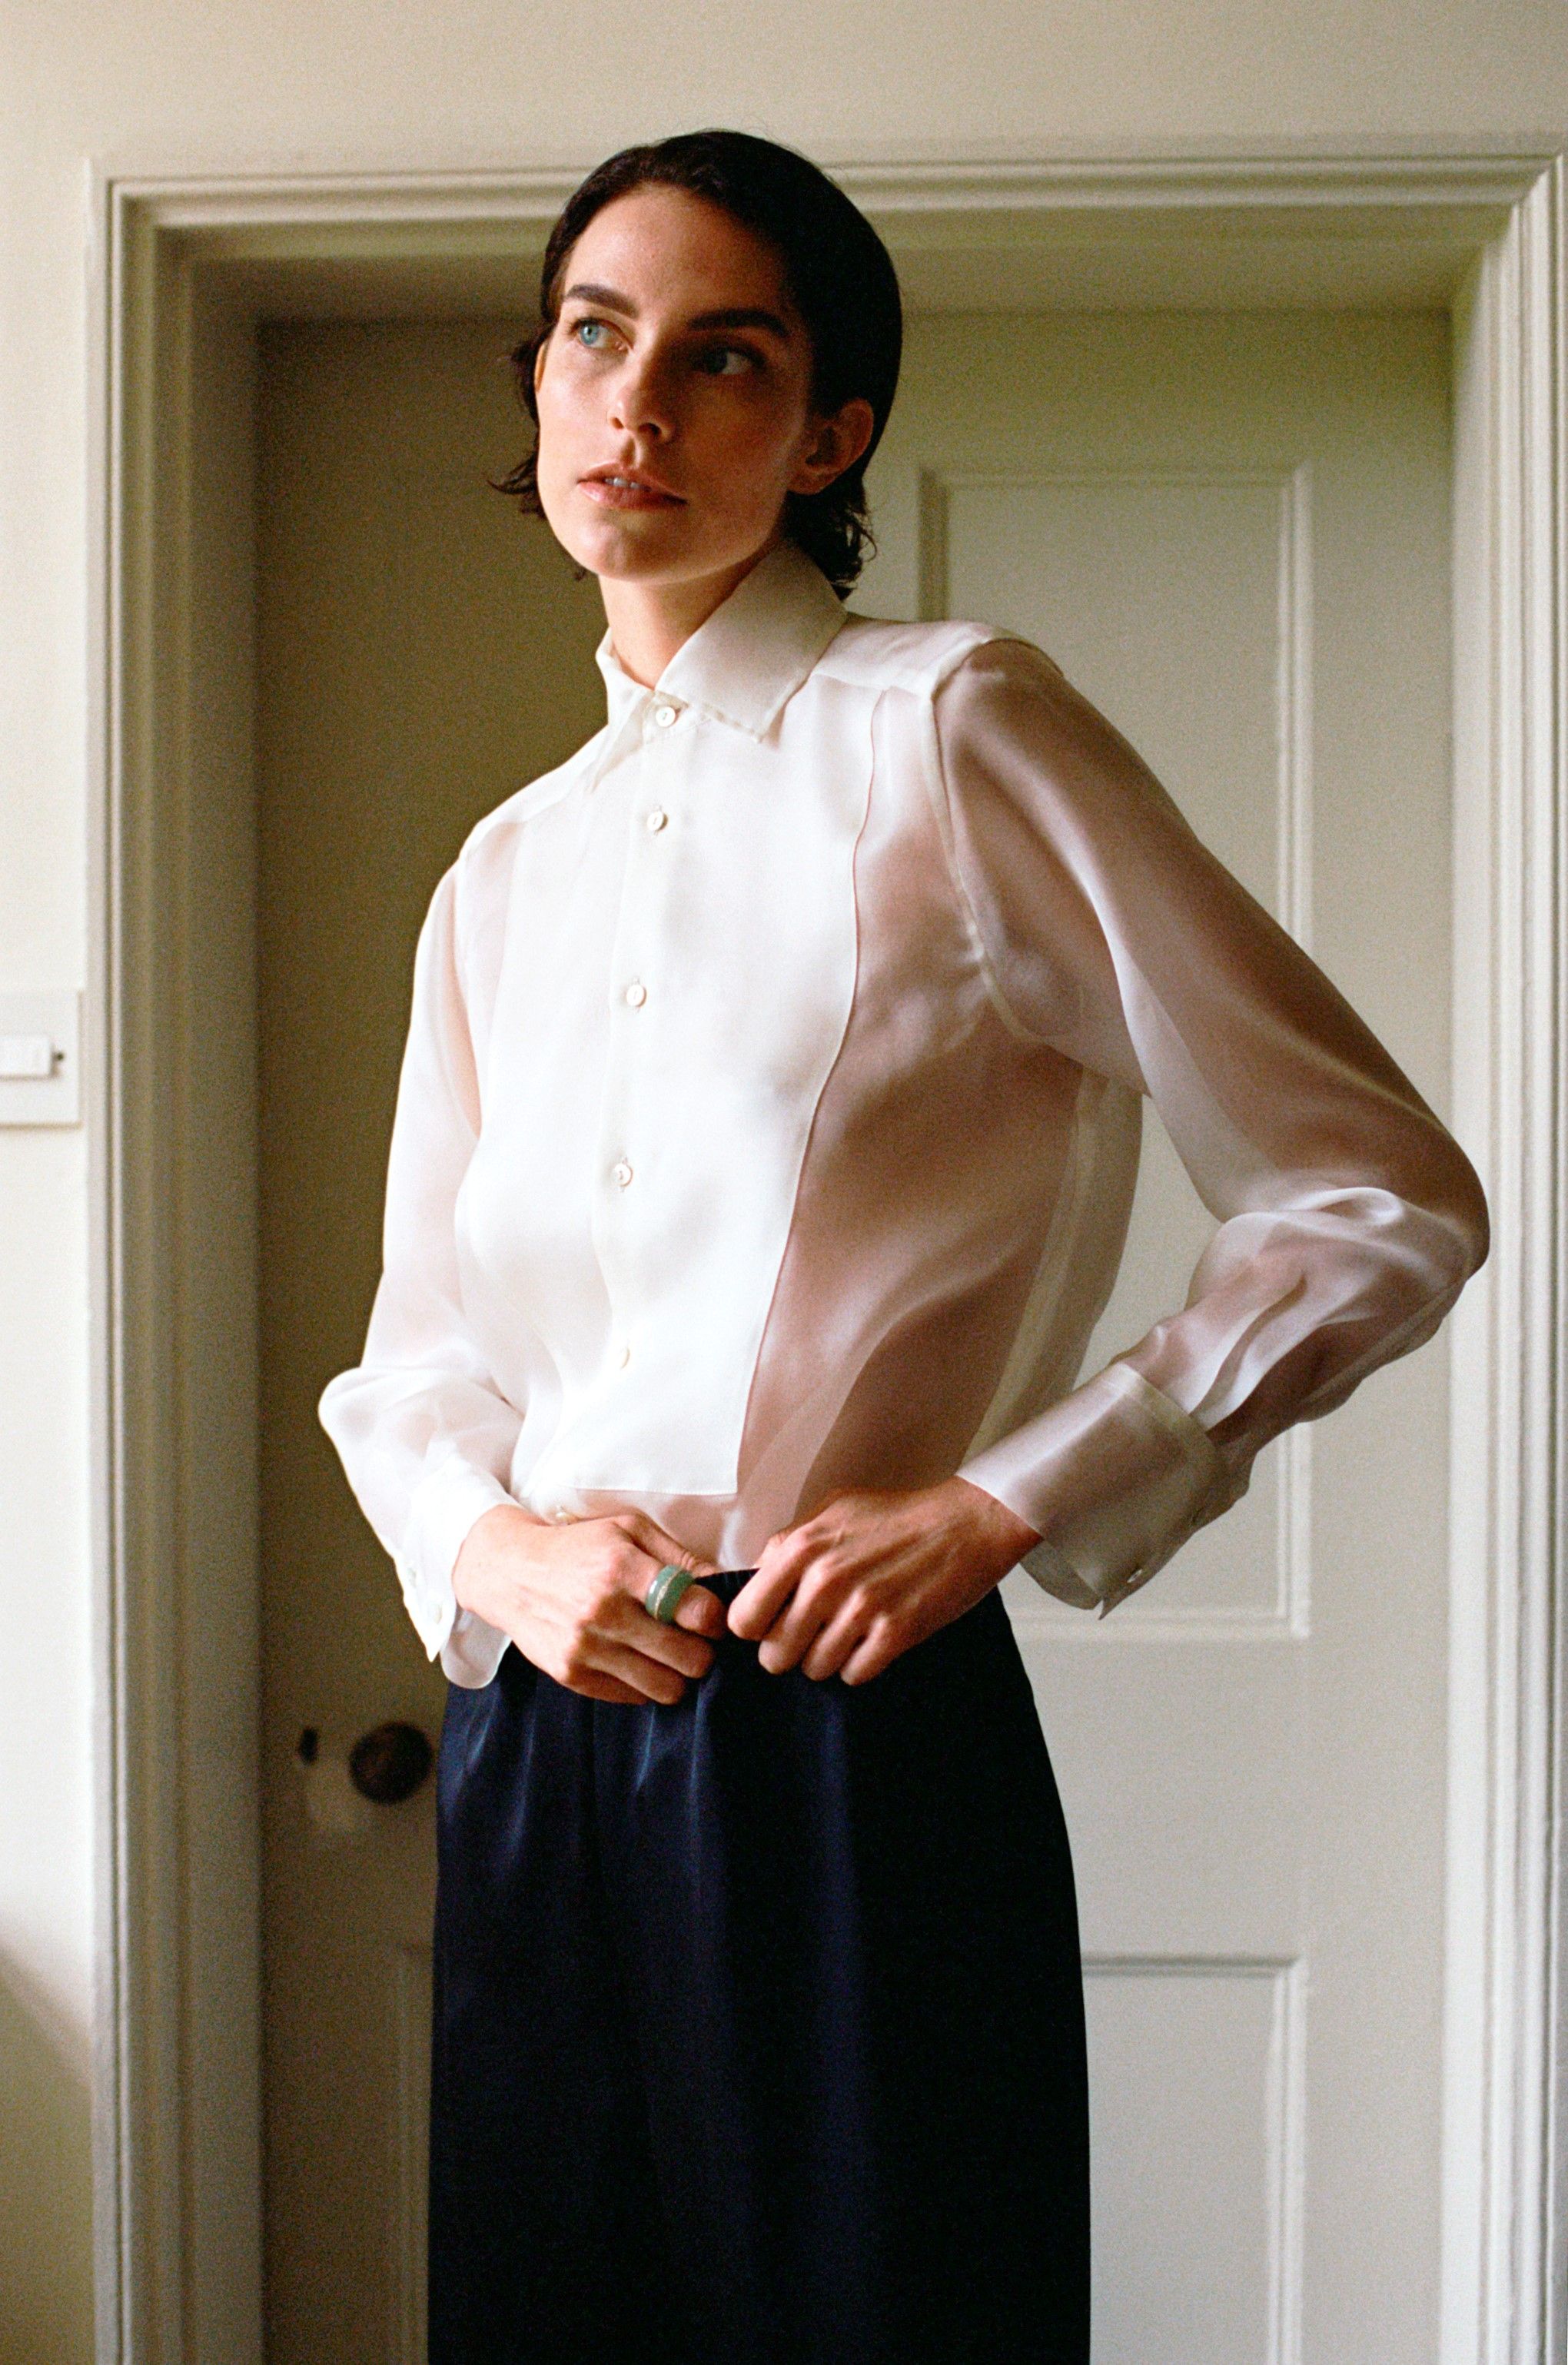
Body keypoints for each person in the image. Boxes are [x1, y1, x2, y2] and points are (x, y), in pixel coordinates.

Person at [317, 128, 1490, 2365]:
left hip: (855, 1749)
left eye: (721, 356)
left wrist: (998, 1500)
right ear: (539, 384)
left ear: (829, 429)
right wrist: (497, 1549)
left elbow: (1380, 1197)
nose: (637, 409)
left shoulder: (953, 731)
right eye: (594, 336)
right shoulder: (504, 874)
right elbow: (415, 1365)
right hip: (543, 1752)